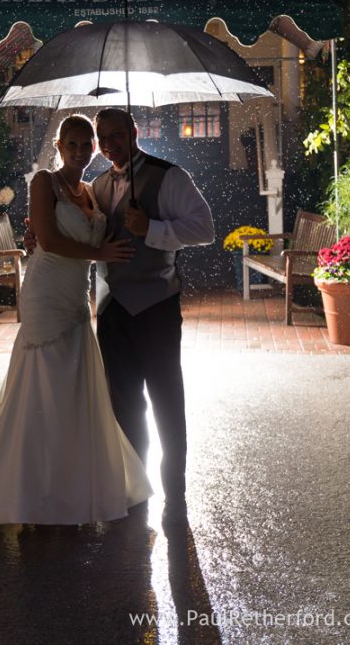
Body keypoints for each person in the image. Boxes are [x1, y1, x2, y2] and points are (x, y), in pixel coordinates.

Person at [26, 108, 215, 525]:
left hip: (157, 305)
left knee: (167, 400)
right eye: (104, 137)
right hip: (111, 309)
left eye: (115, 135)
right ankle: (134, 488)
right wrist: (35, 232)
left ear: (133, 133)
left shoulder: (169, 176)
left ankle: (176, 490)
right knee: (123, 404)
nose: (109, 144)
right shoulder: (96, 186)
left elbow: (205, 229)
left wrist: (153, 228)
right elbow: (69, 231)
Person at [0, 114, 152, 525]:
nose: (80, 151)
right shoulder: (44, 182)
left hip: (75, 300)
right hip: (45, 295)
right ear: (59, 146)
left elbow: (98, 235)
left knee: (72, 392)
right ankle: (32, 493)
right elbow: (49, 240)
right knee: (45, 389)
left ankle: (71, 488)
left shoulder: (92, 191)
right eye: (72, 144)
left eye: (87, 144)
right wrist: (97, 253)